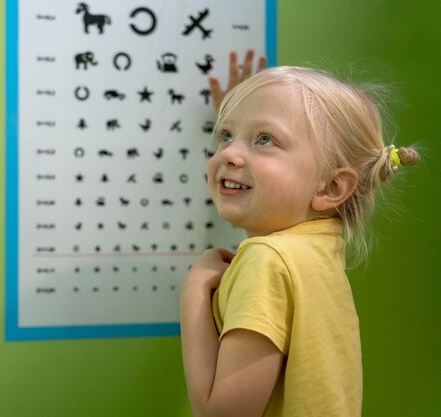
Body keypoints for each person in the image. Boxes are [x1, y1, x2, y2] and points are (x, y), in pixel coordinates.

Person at [180, 56, 420, 416]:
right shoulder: (320, 246)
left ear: (333, 187)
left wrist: (195, 292)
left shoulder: (266, 260)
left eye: (265, 139)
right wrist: (252, 130)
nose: (228, 152)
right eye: (226, 135)